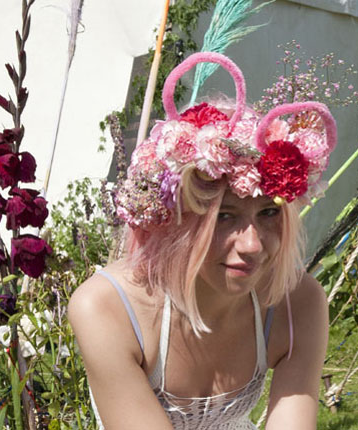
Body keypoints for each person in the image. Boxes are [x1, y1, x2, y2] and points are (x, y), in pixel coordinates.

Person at [68, 52, 337, 430]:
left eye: (269, 213)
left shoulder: (297, 303)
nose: (253, 245)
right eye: (224, 216)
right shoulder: (106, 309)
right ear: (171, 220)